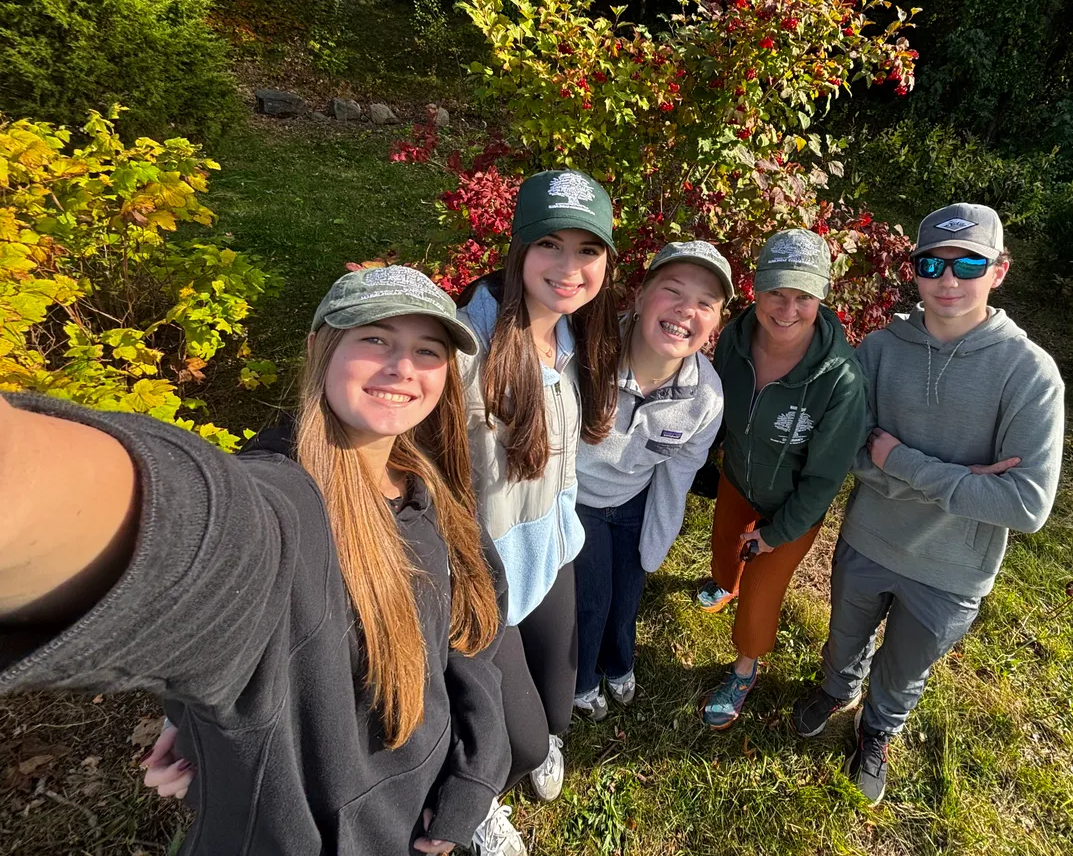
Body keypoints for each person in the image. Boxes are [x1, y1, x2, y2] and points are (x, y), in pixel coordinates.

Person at [0, 266, 508, 856]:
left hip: (419, 814)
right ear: (318, 349)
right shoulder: (283, 503)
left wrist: (473, 779)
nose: (403, 367)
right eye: (375, 338)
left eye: (428, 350)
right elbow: (206, 543)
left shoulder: (432, 491)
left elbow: (473, 637)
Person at [789, 202, 1065, 806]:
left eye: (969, 264)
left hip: (952, 569)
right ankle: (837, 689)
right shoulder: (880, 350)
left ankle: (878, 730)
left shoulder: (1030, 373)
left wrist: (900, 460)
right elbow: (844, 448)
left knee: (905, 668)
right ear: (913, 269)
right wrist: (963, 480)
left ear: (999, 271)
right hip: (868, 539)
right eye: (932, 264)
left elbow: (1026, 504)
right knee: (844, 637)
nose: (948, 280)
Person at [455, 170, 620, 852]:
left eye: (588, 250)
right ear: (519, 249)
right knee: (515, 743)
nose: (569, 266)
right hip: (481, 575)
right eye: (550, 244)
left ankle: (523, 748)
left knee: (556, 714)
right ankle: (476, 804)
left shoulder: (576, 338)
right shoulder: (465, 349)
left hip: (550, 554)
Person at [694, 228, 867, 730]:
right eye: (776, 292)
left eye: (804, 297)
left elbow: (824, 479)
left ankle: (744, 670)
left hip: (792, 507)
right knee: (724, 550)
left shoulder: (840, 380)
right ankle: (724, 584)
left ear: (821, 298)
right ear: (756, 287)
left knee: (760, 597)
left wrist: (777, 533)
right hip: (737, 479)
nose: (788, 310)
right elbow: (717, 405)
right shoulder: (735, 339)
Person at [571, 242, 730, 720]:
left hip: (634, 500)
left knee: (628, 592)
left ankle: (618, 663)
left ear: (716, 324)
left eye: (705, 303)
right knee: (592, 598)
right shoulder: (585, 355)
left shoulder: (705, 397)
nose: (686, 310)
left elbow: (677, 475)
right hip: (577, 497)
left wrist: (655, 545)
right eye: (673, 291)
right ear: (640, 297)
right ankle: (582, 682)